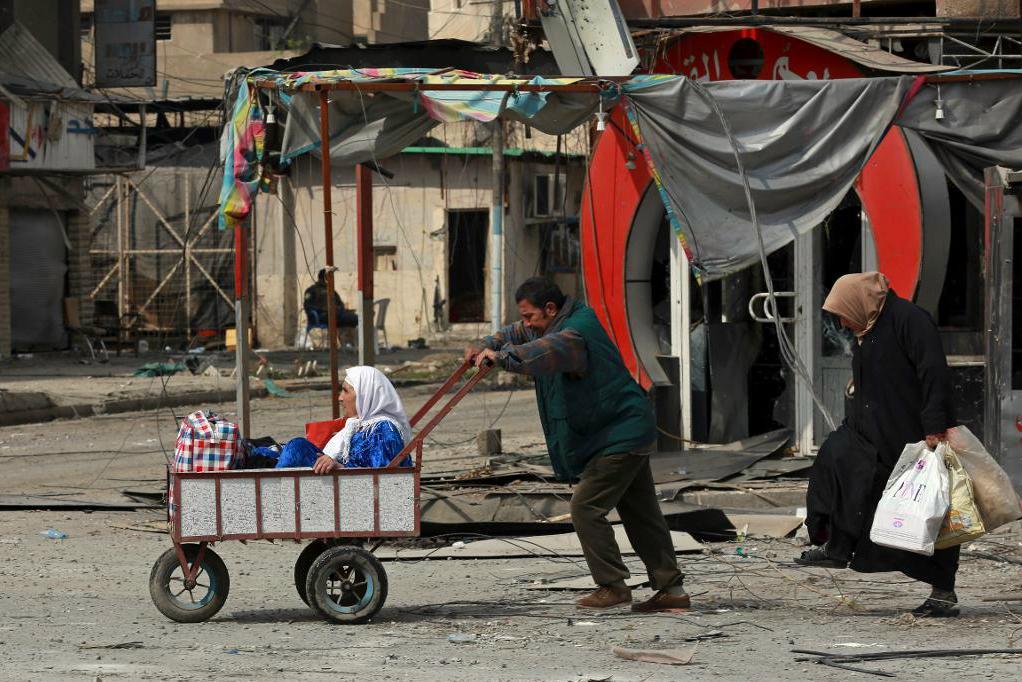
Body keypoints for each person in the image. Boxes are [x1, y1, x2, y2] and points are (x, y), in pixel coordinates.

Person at [465, 277, 689, 612]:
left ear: (550, 309)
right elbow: (516, 333)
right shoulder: (555, 322)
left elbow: (541, 352)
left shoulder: (572, 335)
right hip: (621, 430)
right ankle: (671, 590)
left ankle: (612, 585)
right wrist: (485, 344)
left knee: (586, 508)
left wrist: (500, 359)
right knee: (641, 513)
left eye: (529, 316)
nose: (525, 323)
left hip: (619, 434)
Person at [798, 272, 959, 617]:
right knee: (835, 462)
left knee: (927, 510)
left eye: (843, 312)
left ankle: (943, 592)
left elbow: (934, 374)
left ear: (861, 302)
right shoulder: (867, 329)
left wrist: (934, 426)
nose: (841, 321)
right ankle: (835, 545)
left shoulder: (911, 322)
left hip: (910, 434)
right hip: (867, 430)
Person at [275, 366, 412, 471]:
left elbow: (380, 479)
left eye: (346, 391)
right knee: (285, 448)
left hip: (351, 494)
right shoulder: (361, 425)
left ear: (364, 396)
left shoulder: (384, 430)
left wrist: (339, 467)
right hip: (342, 486)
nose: (340, 398)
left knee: (297, 447)